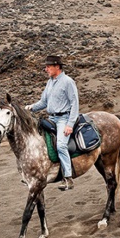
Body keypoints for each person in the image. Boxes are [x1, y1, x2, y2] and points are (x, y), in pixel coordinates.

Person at [26, 55, 79, 191]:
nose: (46, 69)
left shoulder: (68, 82)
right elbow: (43, 102)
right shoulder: (50, 82)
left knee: (61, 145)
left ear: (57, 67)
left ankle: (68, 178)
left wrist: (70, 125)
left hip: (63, 119)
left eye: (48, 66)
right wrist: (30, 107)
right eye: (46, 67)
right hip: (52, 117)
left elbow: (74, 104)